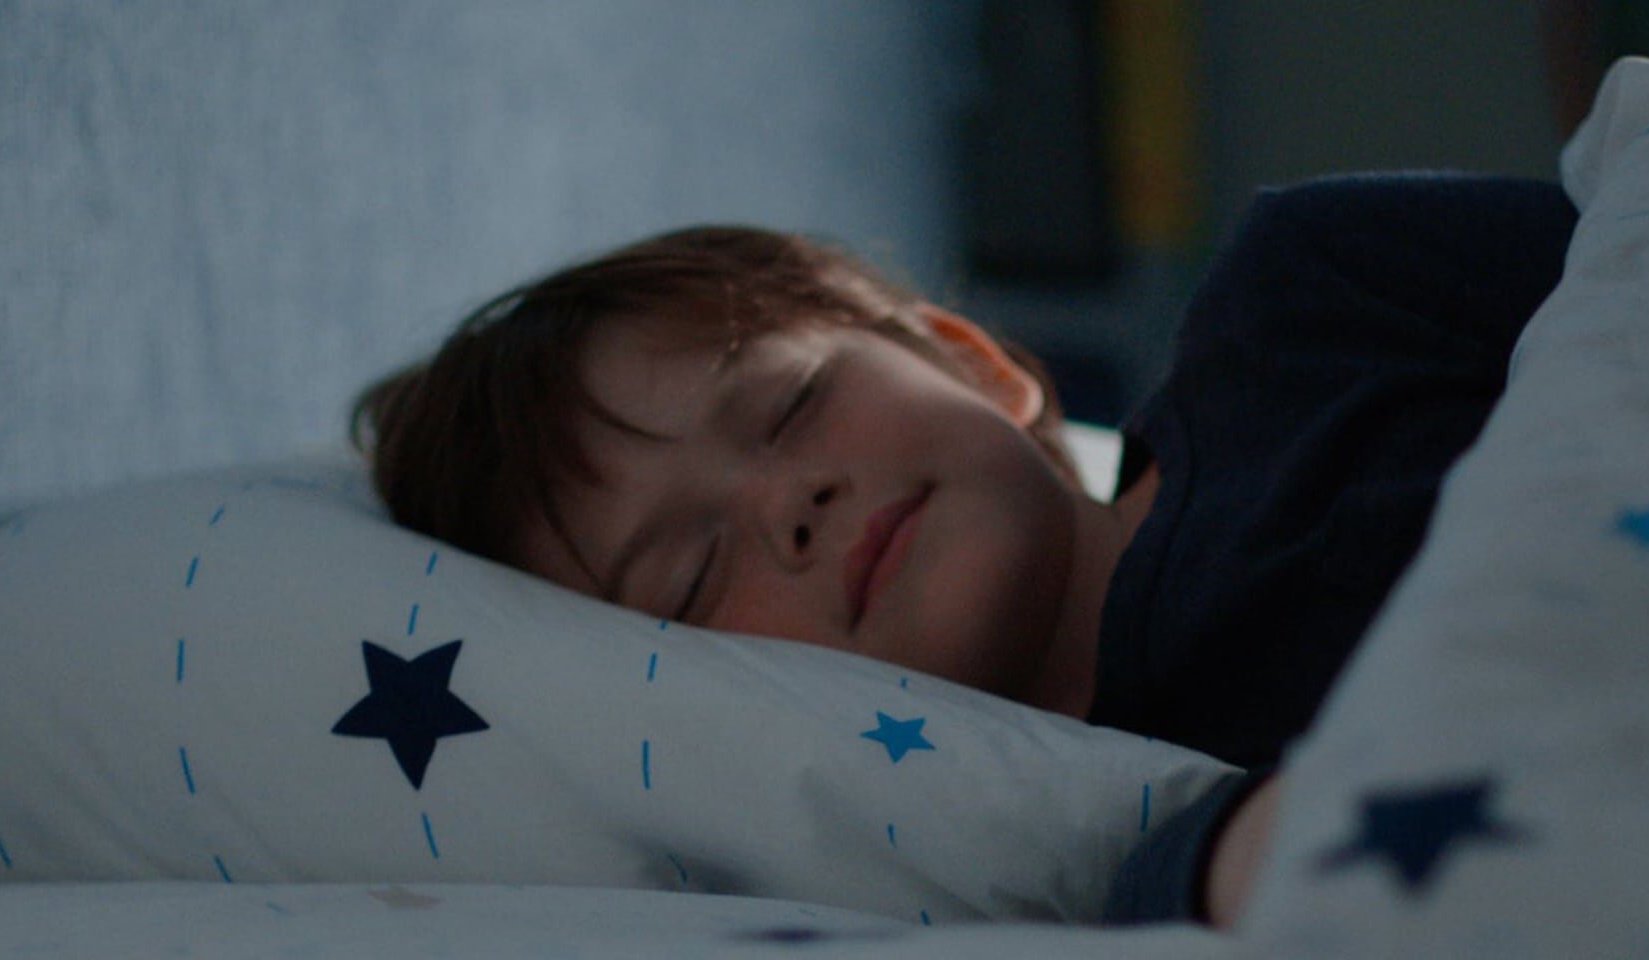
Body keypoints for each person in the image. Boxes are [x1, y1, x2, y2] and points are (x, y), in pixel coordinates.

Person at [352, 171, 1579, 929]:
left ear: (973, 363)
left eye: (789, 407)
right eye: (687, 573)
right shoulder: (1104, 863)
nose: (795, 500)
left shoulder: (1309, 300)